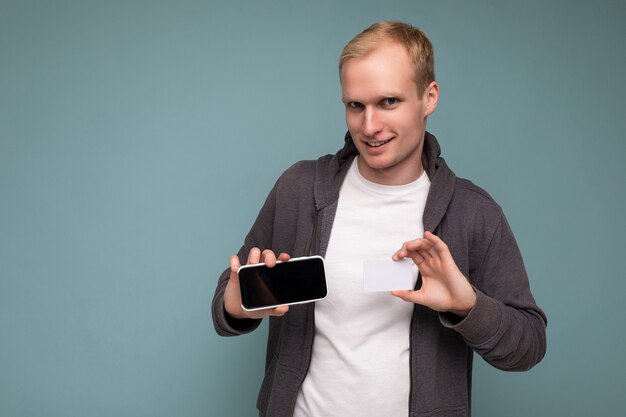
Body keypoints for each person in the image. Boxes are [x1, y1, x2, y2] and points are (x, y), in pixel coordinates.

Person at [212, 20, 547, 417]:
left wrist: (467, 306)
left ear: (429, 97)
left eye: (389, 102)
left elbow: (528, 345)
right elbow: (226, 305)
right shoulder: (299, 189)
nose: (369, 127)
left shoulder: (473, 212)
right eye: (356, 105)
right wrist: (239, 303)